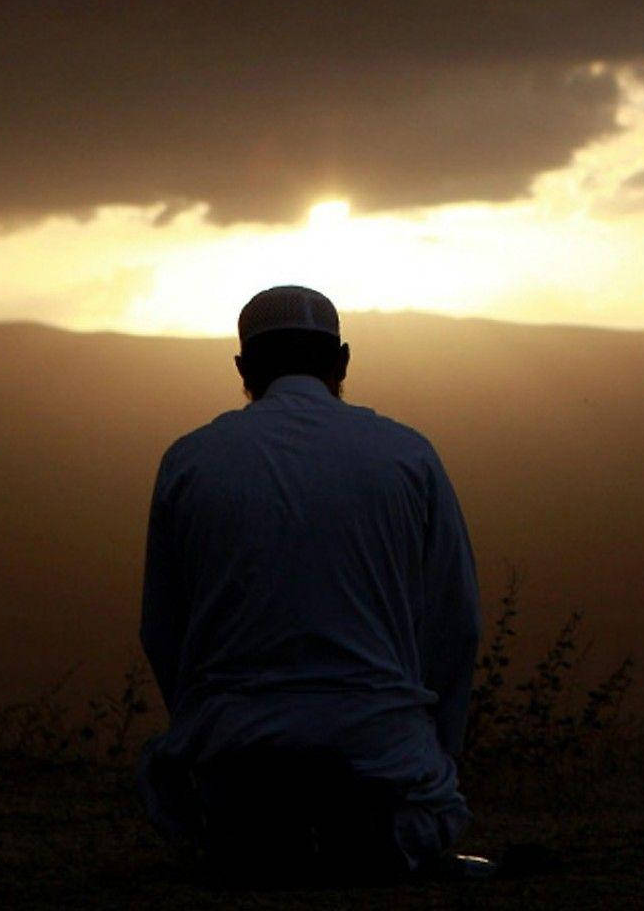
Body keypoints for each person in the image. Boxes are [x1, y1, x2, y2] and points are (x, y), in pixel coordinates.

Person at [136, 285, 490, 885]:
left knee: (214, 815)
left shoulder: (190, 460)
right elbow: (457, 624)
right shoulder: (408, 456)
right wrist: (432, 756)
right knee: (396, 825)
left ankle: (260, 829)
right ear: (343, 361)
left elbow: (162, 631)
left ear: (243, 369)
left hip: (232, 773)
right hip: (387, 767)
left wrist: (212, 728)